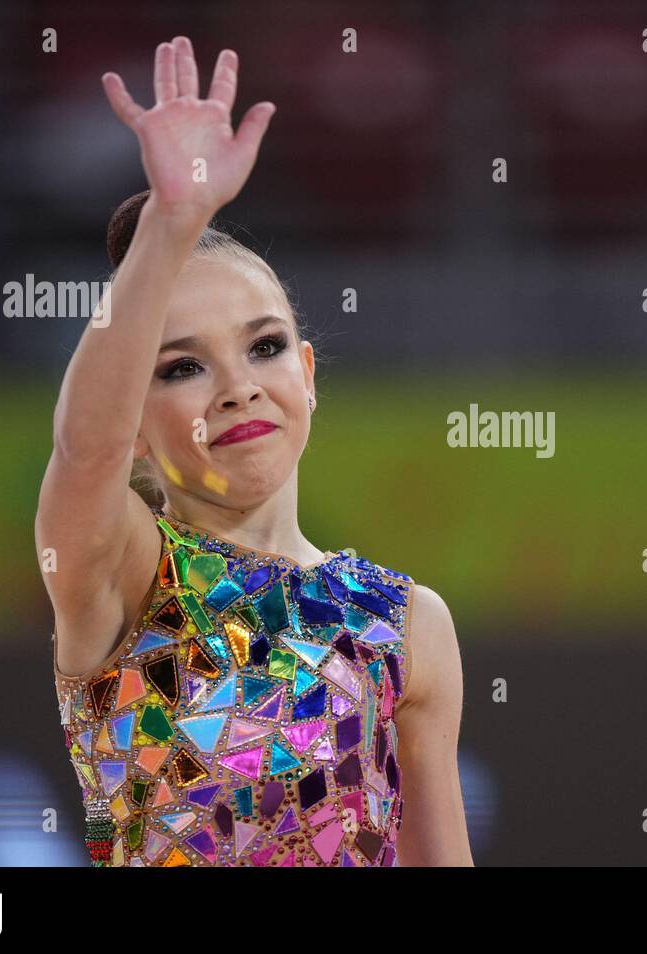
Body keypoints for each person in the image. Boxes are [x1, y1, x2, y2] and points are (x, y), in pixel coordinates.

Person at [35, 36, 472, 866]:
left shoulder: (407, 623)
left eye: (265, 347)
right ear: (132, 419)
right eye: (184, 367)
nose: (237, 387)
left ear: (307, 375)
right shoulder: (122, 572)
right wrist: (169, 226)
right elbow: (83, 455)